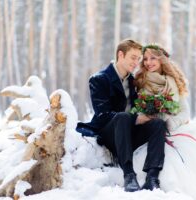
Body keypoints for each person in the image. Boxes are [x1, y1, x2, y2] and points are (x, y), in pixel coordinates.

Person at [76, 39, 167, 192]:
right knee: (122, 117)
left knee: (158, 124)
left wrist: (149, 113)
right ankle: (129, 175)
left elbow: (139, 107)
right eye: (133, 57)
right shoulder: (99, 79)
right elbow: (103, 115)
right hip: (109, 134)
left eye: (138, 59)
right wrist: (136, 119)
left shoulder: (134, 82)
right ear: (120, 55)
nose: (136, 62)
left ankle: (152, 177)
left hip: (129, 133)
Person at [134, 43, 190, 131]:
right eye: (145, 59)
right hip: (149, 130)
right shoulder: (140, 80)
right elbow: (137, 111)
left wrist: (172, 123)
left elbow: (185, 112)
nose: (148, 62)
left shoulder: (174, 81)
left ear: (161, 59)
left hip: (173, 129)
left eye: (153, 58)